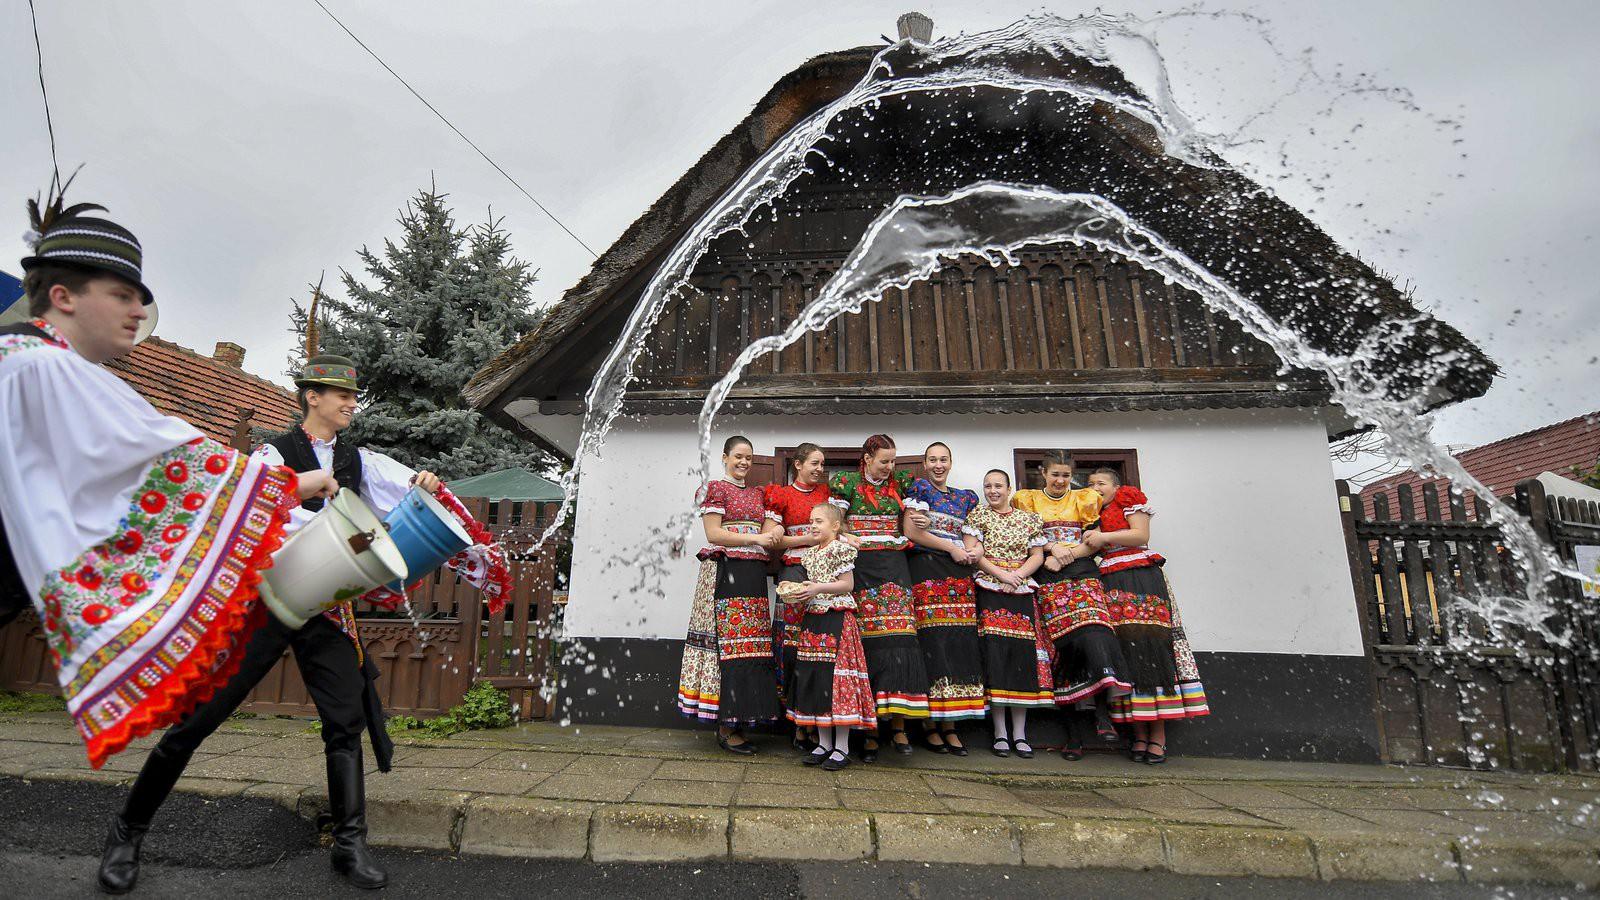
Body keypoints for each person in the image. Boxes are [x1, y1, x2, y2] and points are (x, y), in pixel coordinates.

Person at [97, 352, 512, 892]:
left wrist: (427, 483)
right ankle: (127, 834)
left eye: (353, 396)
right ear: (311, 397)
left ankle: (349, 844)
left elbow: (411, 489)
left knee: (345, 723)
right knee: (197, 721)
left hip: (327, 609)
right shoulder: (275, 454)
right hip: (264, 601)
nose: (350, 404)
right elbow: (240, 502)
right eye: (339, 395)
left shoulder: (361, 462)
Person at [1, 194, 335, 770]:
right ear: (63, 298)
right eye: (122, 295)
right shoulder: (42, 367)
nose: (138, 311)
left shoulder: (34, 363)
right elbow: (172, 462)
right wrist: (286, 485)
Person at [1084, 468, 1209, 764]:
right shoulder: (1089, 513)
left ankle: (1159, 737)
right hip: (1111, 582)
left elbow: (1140, 534)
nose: (1095, 488)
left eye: (1101, 483)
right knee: (1126, 653)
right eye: (1090, 484)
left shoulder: (1129, 499)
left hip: (1140, 577)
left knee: (1151, 648)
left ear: (1117, 486)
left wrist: (1102, 536)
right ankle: (1139, 733)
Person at [1011, 451, 1131, 759]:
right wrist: (1051, 548)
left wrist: (1067, 553)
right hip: (1048, 574)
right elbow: (1025, 535)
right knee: (1064, 648)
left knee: (1097, 632)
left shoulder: (1084, 499)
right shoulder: (1027, 500)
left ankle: (1103, 711)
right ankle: (1073, 735)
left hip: (1080, 570)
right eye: (1055, 474)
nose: (1060, 480)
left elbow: (1094, 538)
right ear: (1043, 472)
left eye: (1065, 475)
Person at [677, 435, 784, 754]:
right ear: (725, 457)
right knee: (726, 644)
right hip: (725, 571)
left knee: (747, 646)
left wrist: (773, 532)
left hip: (751, 574)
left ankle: (739, 719)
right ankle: (724, 726)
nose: (744, 463)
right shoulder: (715, 489)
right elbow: (714, 533)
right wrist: (759, 538)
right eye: (738, 456)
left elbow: (769, 531)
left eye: (749, 458)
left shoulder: (757, 493)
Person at [828, 434, 931, 759]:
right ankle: (870, 729)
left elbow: (915, 519)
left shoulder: (902, 482)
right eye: (884, 460)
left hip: (895, 567)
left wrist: (922, 519)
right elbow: (837, 523)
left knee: (900, 637)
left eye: (893, 460)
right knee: (868, 642)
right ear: (868, 457)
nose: (890, 466)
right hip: (861, 567)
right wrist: (847, 535)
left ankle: (898, 724)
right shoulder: (845, 482)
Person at [963, 469, 1053, 758]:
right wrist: (1002, 575)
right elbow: (974, 552)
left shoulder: (1028, 519)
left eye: (998, 485)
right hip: (991, 586)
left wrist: (1018, 575)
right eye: (987, 486)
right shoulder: (978, 516)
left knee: (1020, 656)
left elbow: (1037, 555)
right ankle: (1000, 733)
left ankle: (1021, 733)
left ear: (1009, 488)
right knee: (997, 655)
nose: (993, 491)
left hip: (1021, 589)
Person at [901, 441, 984, 754]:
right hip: (927, 568)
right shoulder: (920, 489)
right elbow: (912, 532)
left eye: (943, 459)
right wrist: (950, 547)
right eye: (932, 460)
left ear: (951, 462)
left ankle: (952, 722)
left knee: (958, 642)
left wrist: (973, 549)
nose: (938, 465)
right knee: (933, 643)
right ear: (924, 464)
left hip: (959, 575)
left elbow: (971, 536)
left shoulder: (965, 497)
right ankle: (930, 723)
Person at [785, 502, 875, 771]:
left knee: (837, 678)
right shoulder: (810, 554)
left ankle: (842, 747)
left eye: (819, 521)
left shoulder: (841, 549)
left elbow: (847, 584)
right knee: (817, 676)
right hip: (814, 617)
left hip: (837, 616)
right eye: (811, 521)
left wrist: (817, 588)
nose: (813, 525)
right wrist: (801, 592)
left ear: (835, 526)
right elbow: (813, 586)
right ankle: (823, 743)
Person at [762, 442, 831, 753]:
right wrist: (810, 537)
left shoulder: (828, 496)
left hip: (823, 575)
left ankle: (817, 718)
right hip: (793, 574)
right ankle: (796, 721)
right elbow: (774, 539)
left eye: (822, 464)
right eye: (814, 463)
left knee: (819, 648)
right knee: (792, 649)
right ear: (798, 465)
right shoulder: (782, 495)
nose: (819, 469)